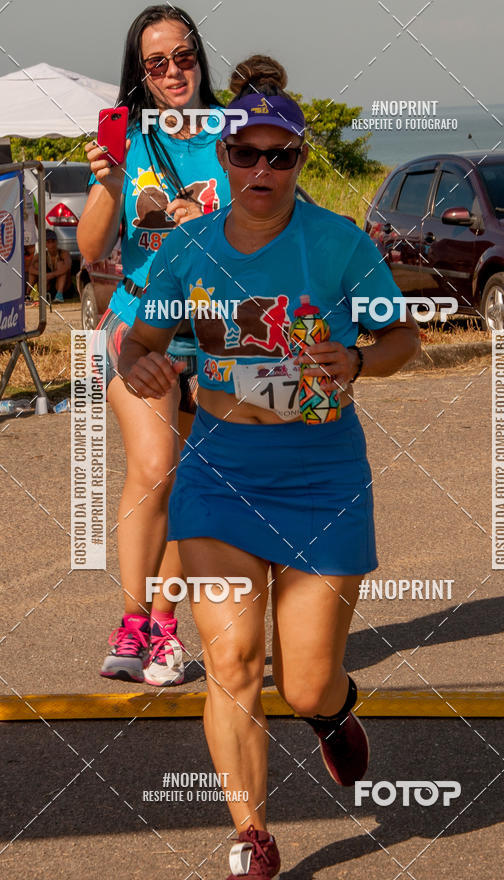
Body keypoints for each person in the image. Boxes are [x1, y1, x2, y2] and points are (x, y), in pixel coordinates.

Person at [119, 55, 420, 880]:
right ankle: (250, 839)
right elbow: (135, 339)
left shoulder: (337, 243)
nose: (260, 170)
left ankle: (331, 709)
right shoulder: (187, 247)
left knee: (305, 679)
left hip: (322, 472)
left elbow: (403, 340)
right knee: (234, 659)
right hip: (221, 468)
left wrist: (358, 356)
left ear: (298, 158)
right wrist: (143, 368)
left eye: (278, 156)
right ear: (225, 159)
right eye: (244, 154)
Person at [76, 4, 230, 686]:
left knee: (195, 484)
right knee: (156, 463)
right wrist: (110, 186)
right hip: (141, 325)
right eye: (157, 62)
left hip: (221, 336)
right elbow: (88, 250)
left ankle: (163, 629)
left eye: (183, 56)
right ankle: (134, 621)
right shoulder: (126, 140)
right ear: (139, 74)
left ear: (200, 55)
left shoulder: (235, 137)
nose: (173, 71)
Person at [29, 229, 72, 302]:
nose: (52, 245)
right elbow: (31, 269)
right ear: (45, 244)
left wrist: (52, 275)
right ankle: (28, 294)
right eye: (48, 242)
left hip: (63, 287)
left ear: (56, 242)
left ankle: (59, 295)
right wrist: (44, 275)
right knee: (36, 265)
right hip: (48, 286)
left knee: (60, 264)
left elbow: (67, 267)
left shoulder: (64, 253)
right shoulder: (40, 255)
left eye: (53, 241)